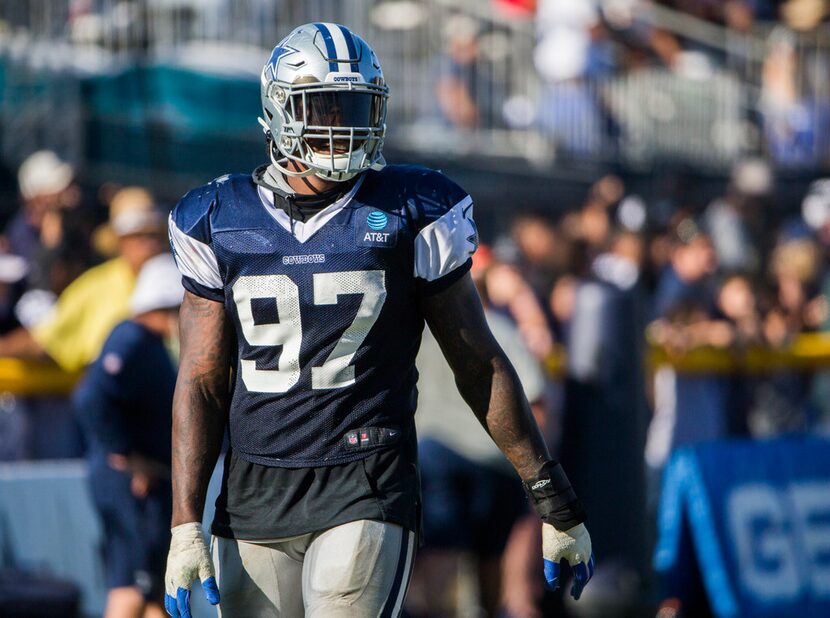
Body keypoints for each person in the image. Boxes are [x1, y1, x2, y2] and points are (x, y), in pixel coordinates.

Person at [164, 22, 594, 618]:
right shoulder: (217, 217)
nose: (342, 125)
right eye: (324, 106)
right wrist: (185, 522)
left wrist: (553, 498)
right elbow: (203, 378)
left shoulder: (411, 208)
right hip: (252, 493)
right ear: (279, 108)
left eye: (355, 107)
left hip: (364, 480)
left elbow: (478, 361)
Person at [407, 248, 547, 617]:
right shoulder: (498, 329)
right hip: (493, 461)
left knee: (439, 556)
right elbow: (535, 401)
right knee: (489, 561)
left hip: (435, 454)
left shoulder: (416, 328)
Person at [74, 254, 184, 618]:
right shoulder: (132, 339)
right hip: (131, 486)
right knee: (132, 588)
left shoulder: (149, 345)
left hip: (144, 485)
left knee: (154, 589)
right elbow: (90, 398)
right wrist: (129, 456)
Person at [0, 186, 166, 372]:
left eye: (154, 234)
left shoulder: (180, 283)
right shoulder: (96, 287)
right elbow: (45, 342)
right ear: (120, 241)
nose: (150, 243)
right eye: (138, 235)